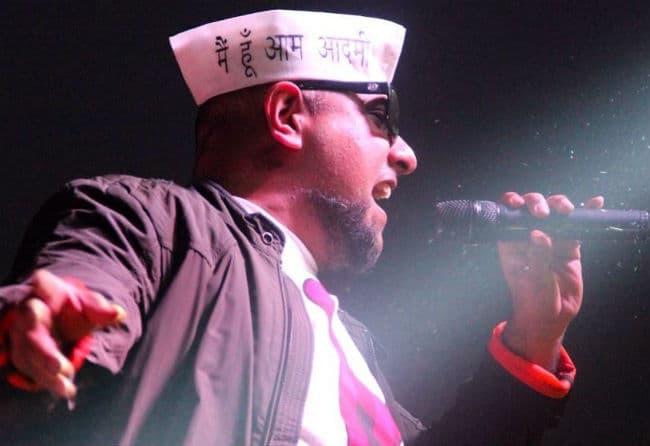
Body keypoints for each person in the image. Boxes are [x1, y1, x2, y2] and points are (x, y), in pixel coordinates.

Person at [0, 9, 603, 445]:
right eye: (381, 116)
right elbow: (84, 281)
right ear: (288, 115)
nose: (406, 154)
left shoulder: (352, 343)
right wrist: (45, 318)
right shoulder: (153, 221)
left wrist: (533, 339)